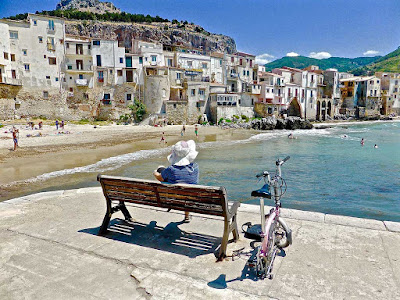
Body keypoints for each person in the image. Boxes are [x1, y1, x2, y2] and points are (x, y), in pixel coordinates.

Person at [153, 140, 199, 222]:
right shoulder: (195, 167)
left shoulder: (171, 169)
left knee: (161, 169)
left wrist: (155, 172)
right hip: (190, 198)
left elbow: (159, 178)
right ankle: (187, 216)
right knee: (187, 190)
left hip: (174, 198)